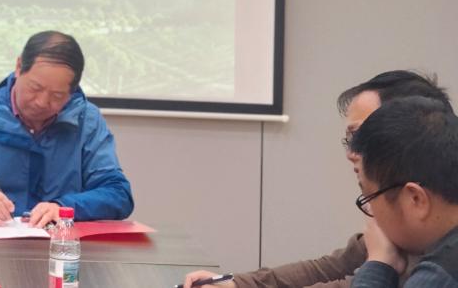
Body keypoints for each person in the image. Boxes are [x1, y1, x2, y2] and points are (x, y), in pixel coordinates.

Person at [182, 71, 451, 288]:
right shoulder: (407, 214)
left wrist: (378, 265)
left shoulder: (441, 265)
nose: (352, 152)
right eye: (350, 139)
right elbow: (333, 268)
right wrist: (237, 285)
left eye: (362, 136)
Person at [0, 30, 133, 227]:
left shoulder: (87, 120)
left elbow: (118, 194)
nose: (41, 102)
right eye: (35, 88)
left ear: (72, 91)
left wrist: (65, 208)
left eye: (57, 95)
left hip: (62, 247)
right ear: (19, 67)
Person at [350, 96, 458, 288]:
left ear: (415, 199)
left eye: (369, 197)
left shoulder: (442, 275)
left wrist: (378, 263)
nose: (370, 212)